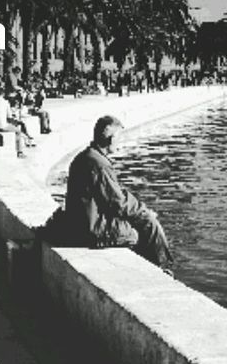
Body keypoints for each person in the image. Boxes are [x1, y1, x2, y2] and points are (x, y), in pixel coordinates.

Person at [64, 115, 173, 269]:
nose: (120, 143)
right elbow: (117, 203)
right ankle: (160, 270)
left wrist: (140, 210)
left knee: (144, 221)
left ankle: (158, 268)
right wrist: (144, 212)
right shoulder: (99, 164)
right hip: (90, 229)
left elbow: (112, 197)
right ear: (112, 138)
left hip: (81, 223)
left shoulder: (86, 157)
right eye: (119, 138)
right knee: (143, 229)